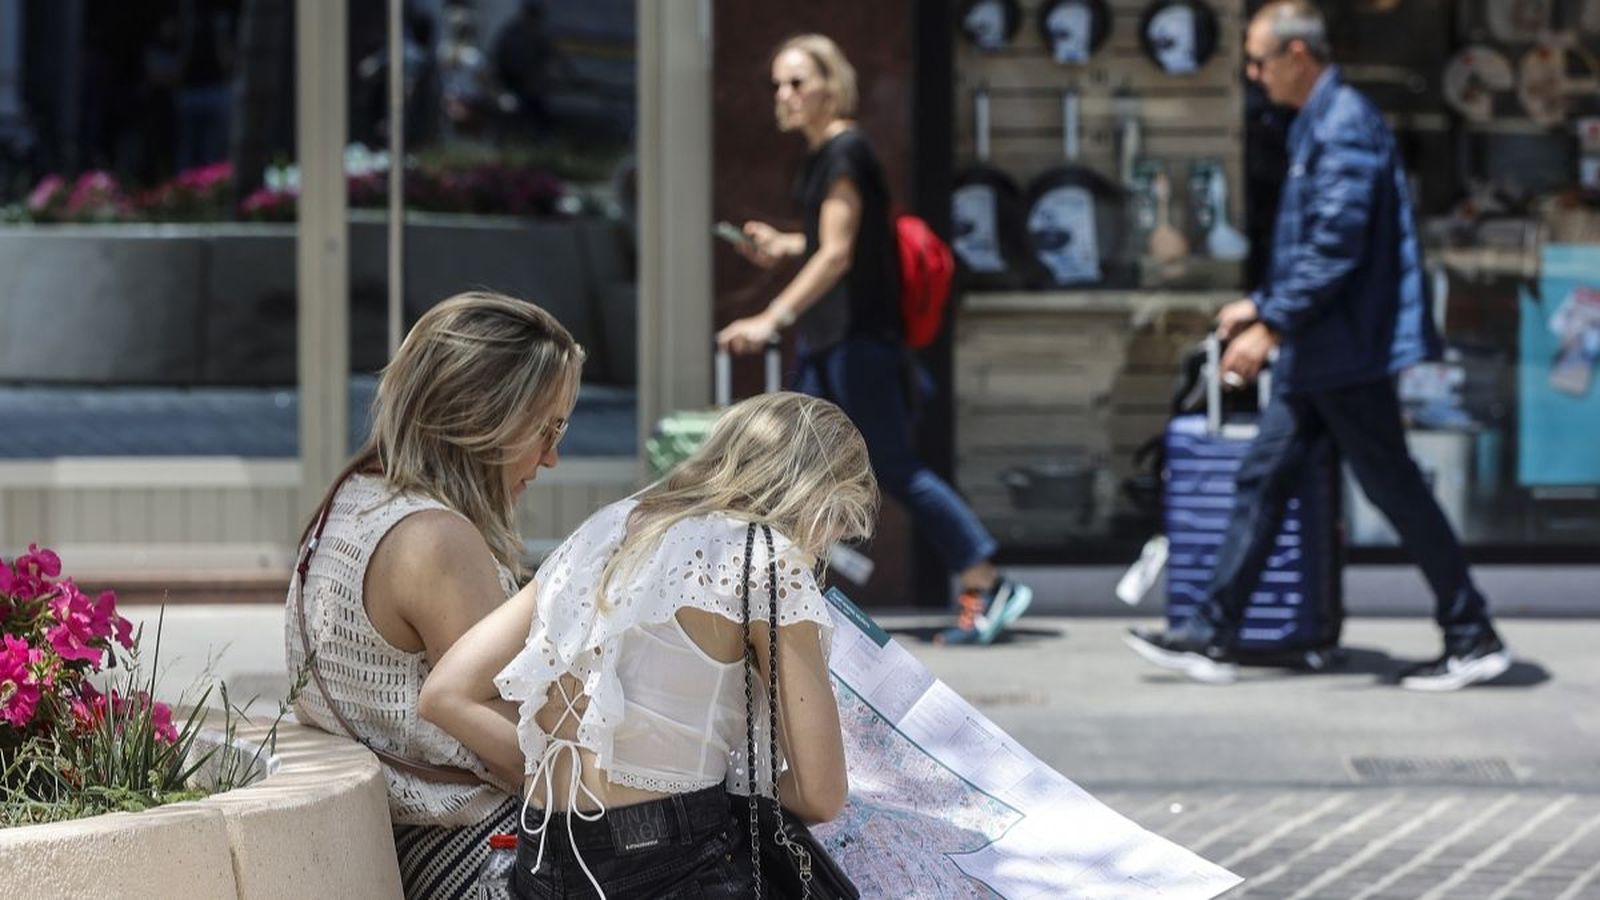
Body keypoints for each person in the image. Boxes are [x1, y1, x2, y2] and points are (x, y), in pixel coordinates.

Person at [1125, 1, 1512, 691]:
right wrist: (1263, 304)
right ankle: (1213, 636)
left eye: (1259, 60)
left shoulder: (1343, 125)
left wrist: (1270, 323)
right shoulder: (1323, 122)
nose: (1252, 73)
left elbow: (1337, 246)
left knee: (1390, 489)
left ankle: (1472, 634)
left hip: (1345, 350)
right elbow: (1315, 242)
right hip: (1324, 349)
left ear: (1298, 56)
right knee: (1264, 480)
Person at [419, 392, 875, 897]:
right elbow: (820, 793)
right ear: (817, 498)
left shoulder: (608, 527)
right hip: (673, 859)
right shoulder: (765, 558)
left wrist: (578, 771)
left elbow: (446, 692)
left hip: (543, 857)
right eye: (840, 521)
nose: (827, 544)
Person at [716, 33, 1032, 646]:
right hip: (833, 340)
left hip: (859, 342)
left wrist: (770, 318)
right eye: (777, 83)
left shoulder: (846, 152)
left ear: (831, 86)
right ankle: (782, 590)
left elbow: (836, 255)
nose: (784, 95)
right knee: (794, 460)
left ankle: (986, 579)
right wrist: (781, 246)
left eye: (798, 82)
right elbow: (837, 246)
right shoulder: (821, 156)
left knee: (892, 465)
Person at [284, 291, 585, 899]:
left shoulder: (353, 501)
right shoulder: (436, 541)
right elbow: (524, 750)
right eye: (545, 429)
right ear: (481, 420)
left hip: (400, 839)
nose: (552, 457)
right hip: (470, 852)